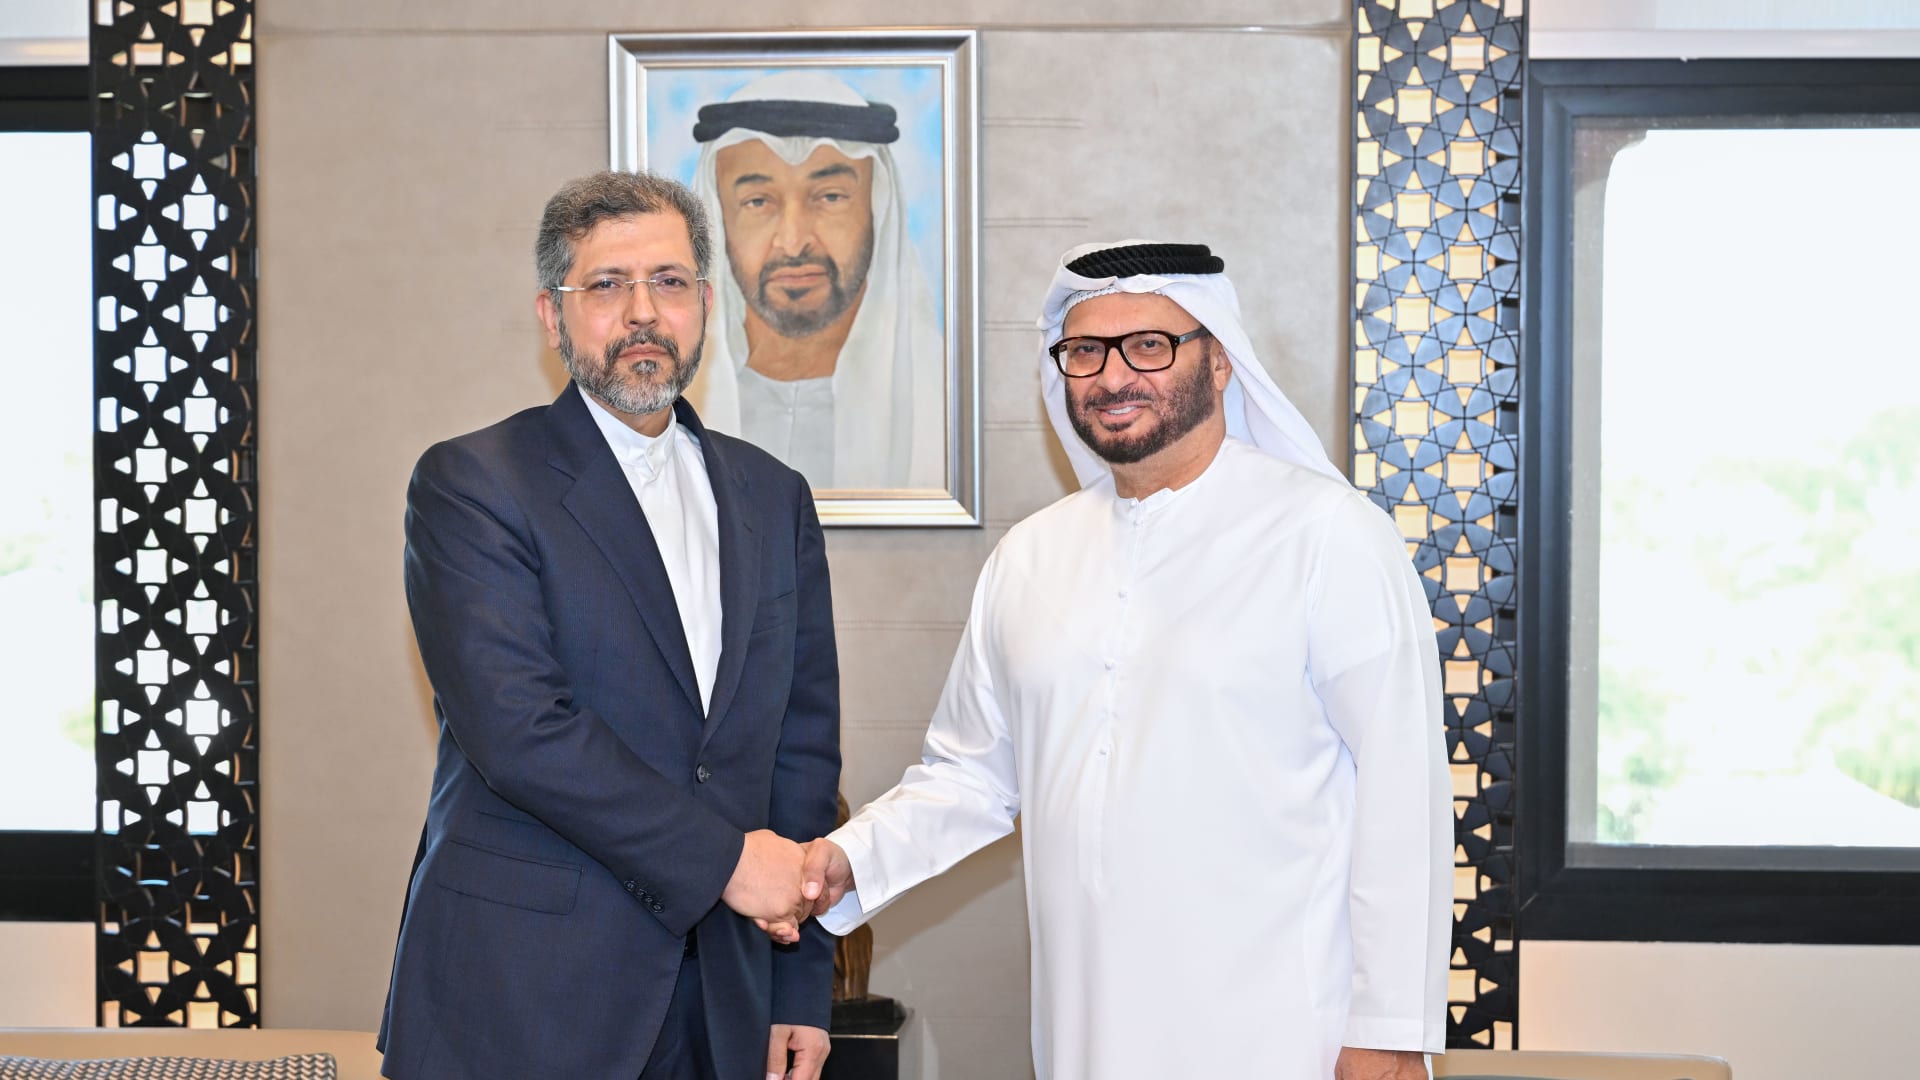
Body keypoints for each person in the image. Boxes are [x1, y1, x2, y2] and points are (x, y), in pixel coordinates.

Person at [779, 242, 1452, 1079]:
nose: (1112, 375)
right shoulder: (1031, 557)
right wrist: (847, 861)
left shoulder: (1329, 536)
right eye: (1086, 351)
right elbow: (972, 777)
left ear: (1219, 362)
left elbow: (1404, 795)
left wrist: (1389, 1033)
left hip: (1283, 1031)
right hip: (1088, 1029)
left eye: (1148, 345)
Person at [377, 171, 841, 1080]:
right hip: (522, 998)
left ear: (705, 303)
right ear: (552, 316)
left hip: (725, 998)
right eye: (606, 285)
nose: (642, 312)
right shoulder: (473, 484)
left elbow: (802, 749)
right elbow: (519, 730)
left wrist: (797, 987)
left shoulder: (773, 496)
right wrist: (726, 864)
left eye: (668, 282)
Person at [684, 70, 945, 490]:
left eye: (830, 197)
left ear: (876, 211)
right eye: (757, 201)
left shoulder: (944, 402)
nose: (793, 242)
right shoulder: (669, 408)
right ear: (720, 220)